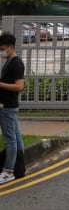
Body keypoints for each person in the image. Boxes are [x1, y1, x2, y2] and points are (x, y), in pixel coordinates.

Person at [0, 32, 25, 184]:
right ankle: (19, 168)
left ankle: (8, 171)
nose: (1, 52)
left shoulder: (17, 63)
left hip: (8, 107)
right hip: (8, 106)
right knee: (16, 137)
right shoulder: (9, 61)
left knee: (10, 140)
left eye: (2, 49)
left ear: (11, 47)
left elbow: (19, 86)